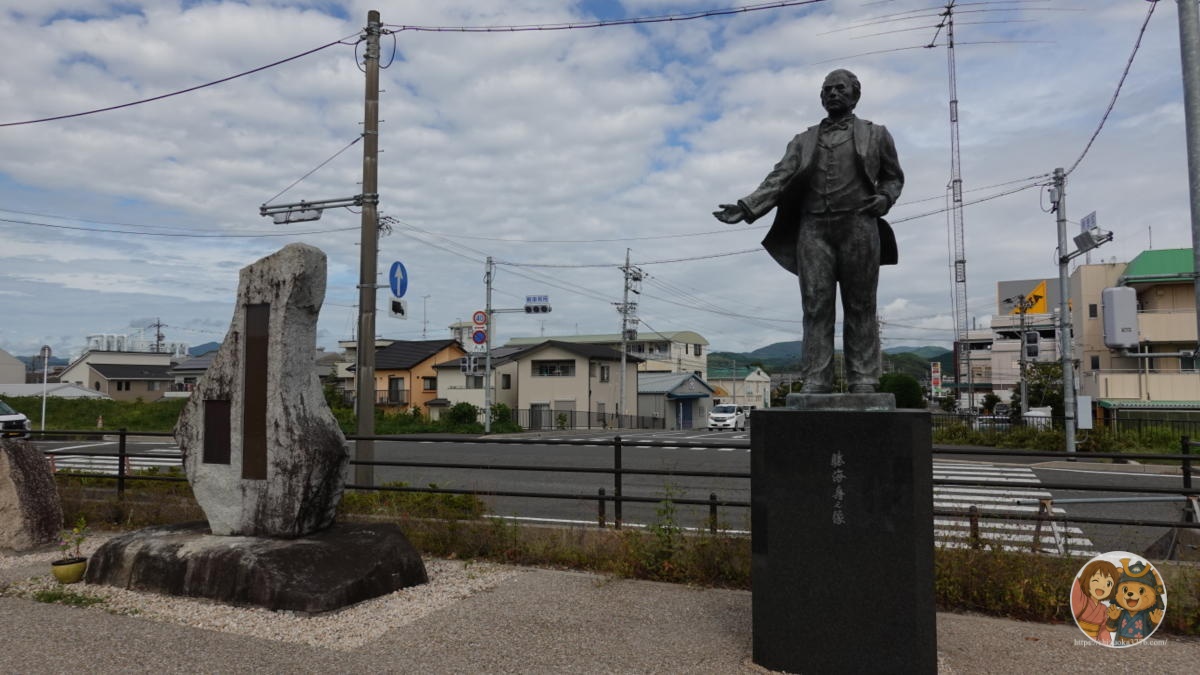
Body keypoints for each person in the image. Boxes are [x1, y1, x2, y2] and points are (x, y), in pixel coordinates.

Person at [714, 69, 904, 394]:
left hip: (859, 225)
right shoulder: (803, 140)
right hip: (813, 229)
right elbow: (779, 178)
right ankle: (817, 378)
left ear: (855, 94)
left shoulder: (877, 134)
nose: (833, 93)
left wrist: (885, 198)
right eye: (827, 89)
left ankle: (863, 378)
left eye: (840, 88)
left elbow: (893, 176)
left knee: (860, 306)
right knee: (816, 306)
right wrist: (747, 208)